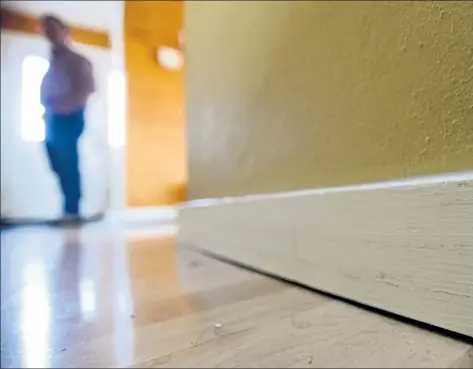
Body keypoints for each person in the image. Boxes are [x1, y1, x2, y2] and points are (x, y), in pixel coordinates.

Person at [39, 15, 95, 224]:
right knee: (57, 163)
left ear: (65, 31)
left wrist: (66, 108)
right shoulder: (52, 62)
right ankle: (68, 209)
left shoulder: (77, 61)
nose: (49, 33)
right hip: (52, 119)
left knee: (68, 162)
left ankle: (73, 211)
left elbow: (86, 89)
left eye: (53, 28)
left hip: (69, 117)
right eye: (45, 29)